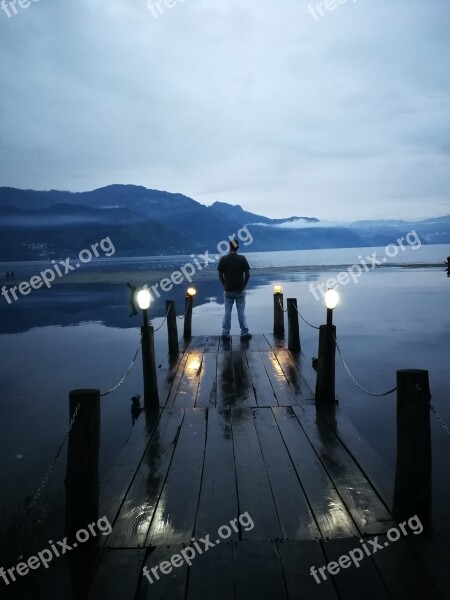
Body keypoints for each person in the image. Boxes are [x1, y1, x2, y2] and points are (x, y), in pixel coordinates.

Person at [217, 238, 251, 340]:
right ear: (238, 247)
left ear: (229, 246)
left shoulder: (223, 259)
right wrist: (244, 285)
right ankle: (244, 333)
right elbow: (248, 274)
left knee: (227, 312)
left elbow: (220, 274)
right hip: (240, 289)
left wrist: (224, 284)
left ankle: (225, 332)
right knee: (241, 312)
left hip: (228, 290)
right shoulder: (242, 258)